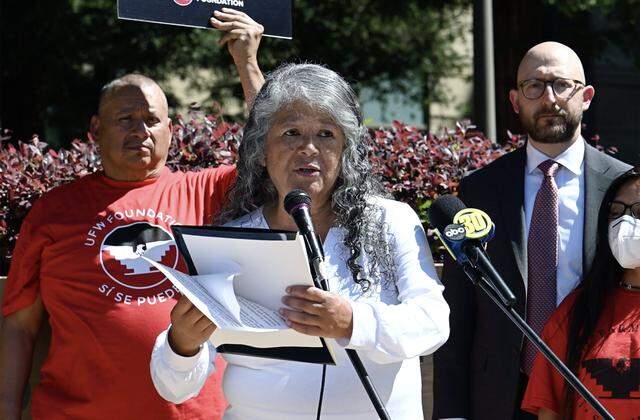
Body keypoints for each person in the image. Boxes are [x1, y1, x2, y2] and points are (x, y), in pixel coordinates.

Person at [0, 9, 265, 420]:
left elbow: (272, 155)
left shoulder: (205, 191)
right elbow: (19, 327)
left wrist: (247, 64)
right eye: (125, 119)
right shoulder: (54, 211)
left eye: (152, 120)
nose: (140, 130)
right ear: (95, 130)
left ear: (171, 131)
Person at [149, 63, 451, 419]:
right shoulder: (233, 241)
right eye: (291, 132)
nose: (309, 148)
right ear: (262, 150)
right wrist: (182, 344)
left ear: (345, 152)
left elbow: (432, 322)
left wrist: (353, 322)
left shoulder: (390, 221)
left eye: (326, 134)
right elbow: (174, 387)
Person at [432, 41, 632, 420]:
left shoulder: (622, 186)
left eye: (561, 85)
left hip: (593, 389)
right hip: (501, 395)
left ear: (586, 96)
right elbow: (458, 317)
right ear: (514, 100)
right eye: (534, 87)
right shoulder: (481, 189)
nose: (549, 98)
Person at [522, 168, 640, 419]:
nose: (625, 223)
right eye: (615, 213)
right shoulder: (578, 309)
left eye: (639, 212)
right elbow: (548, 408)